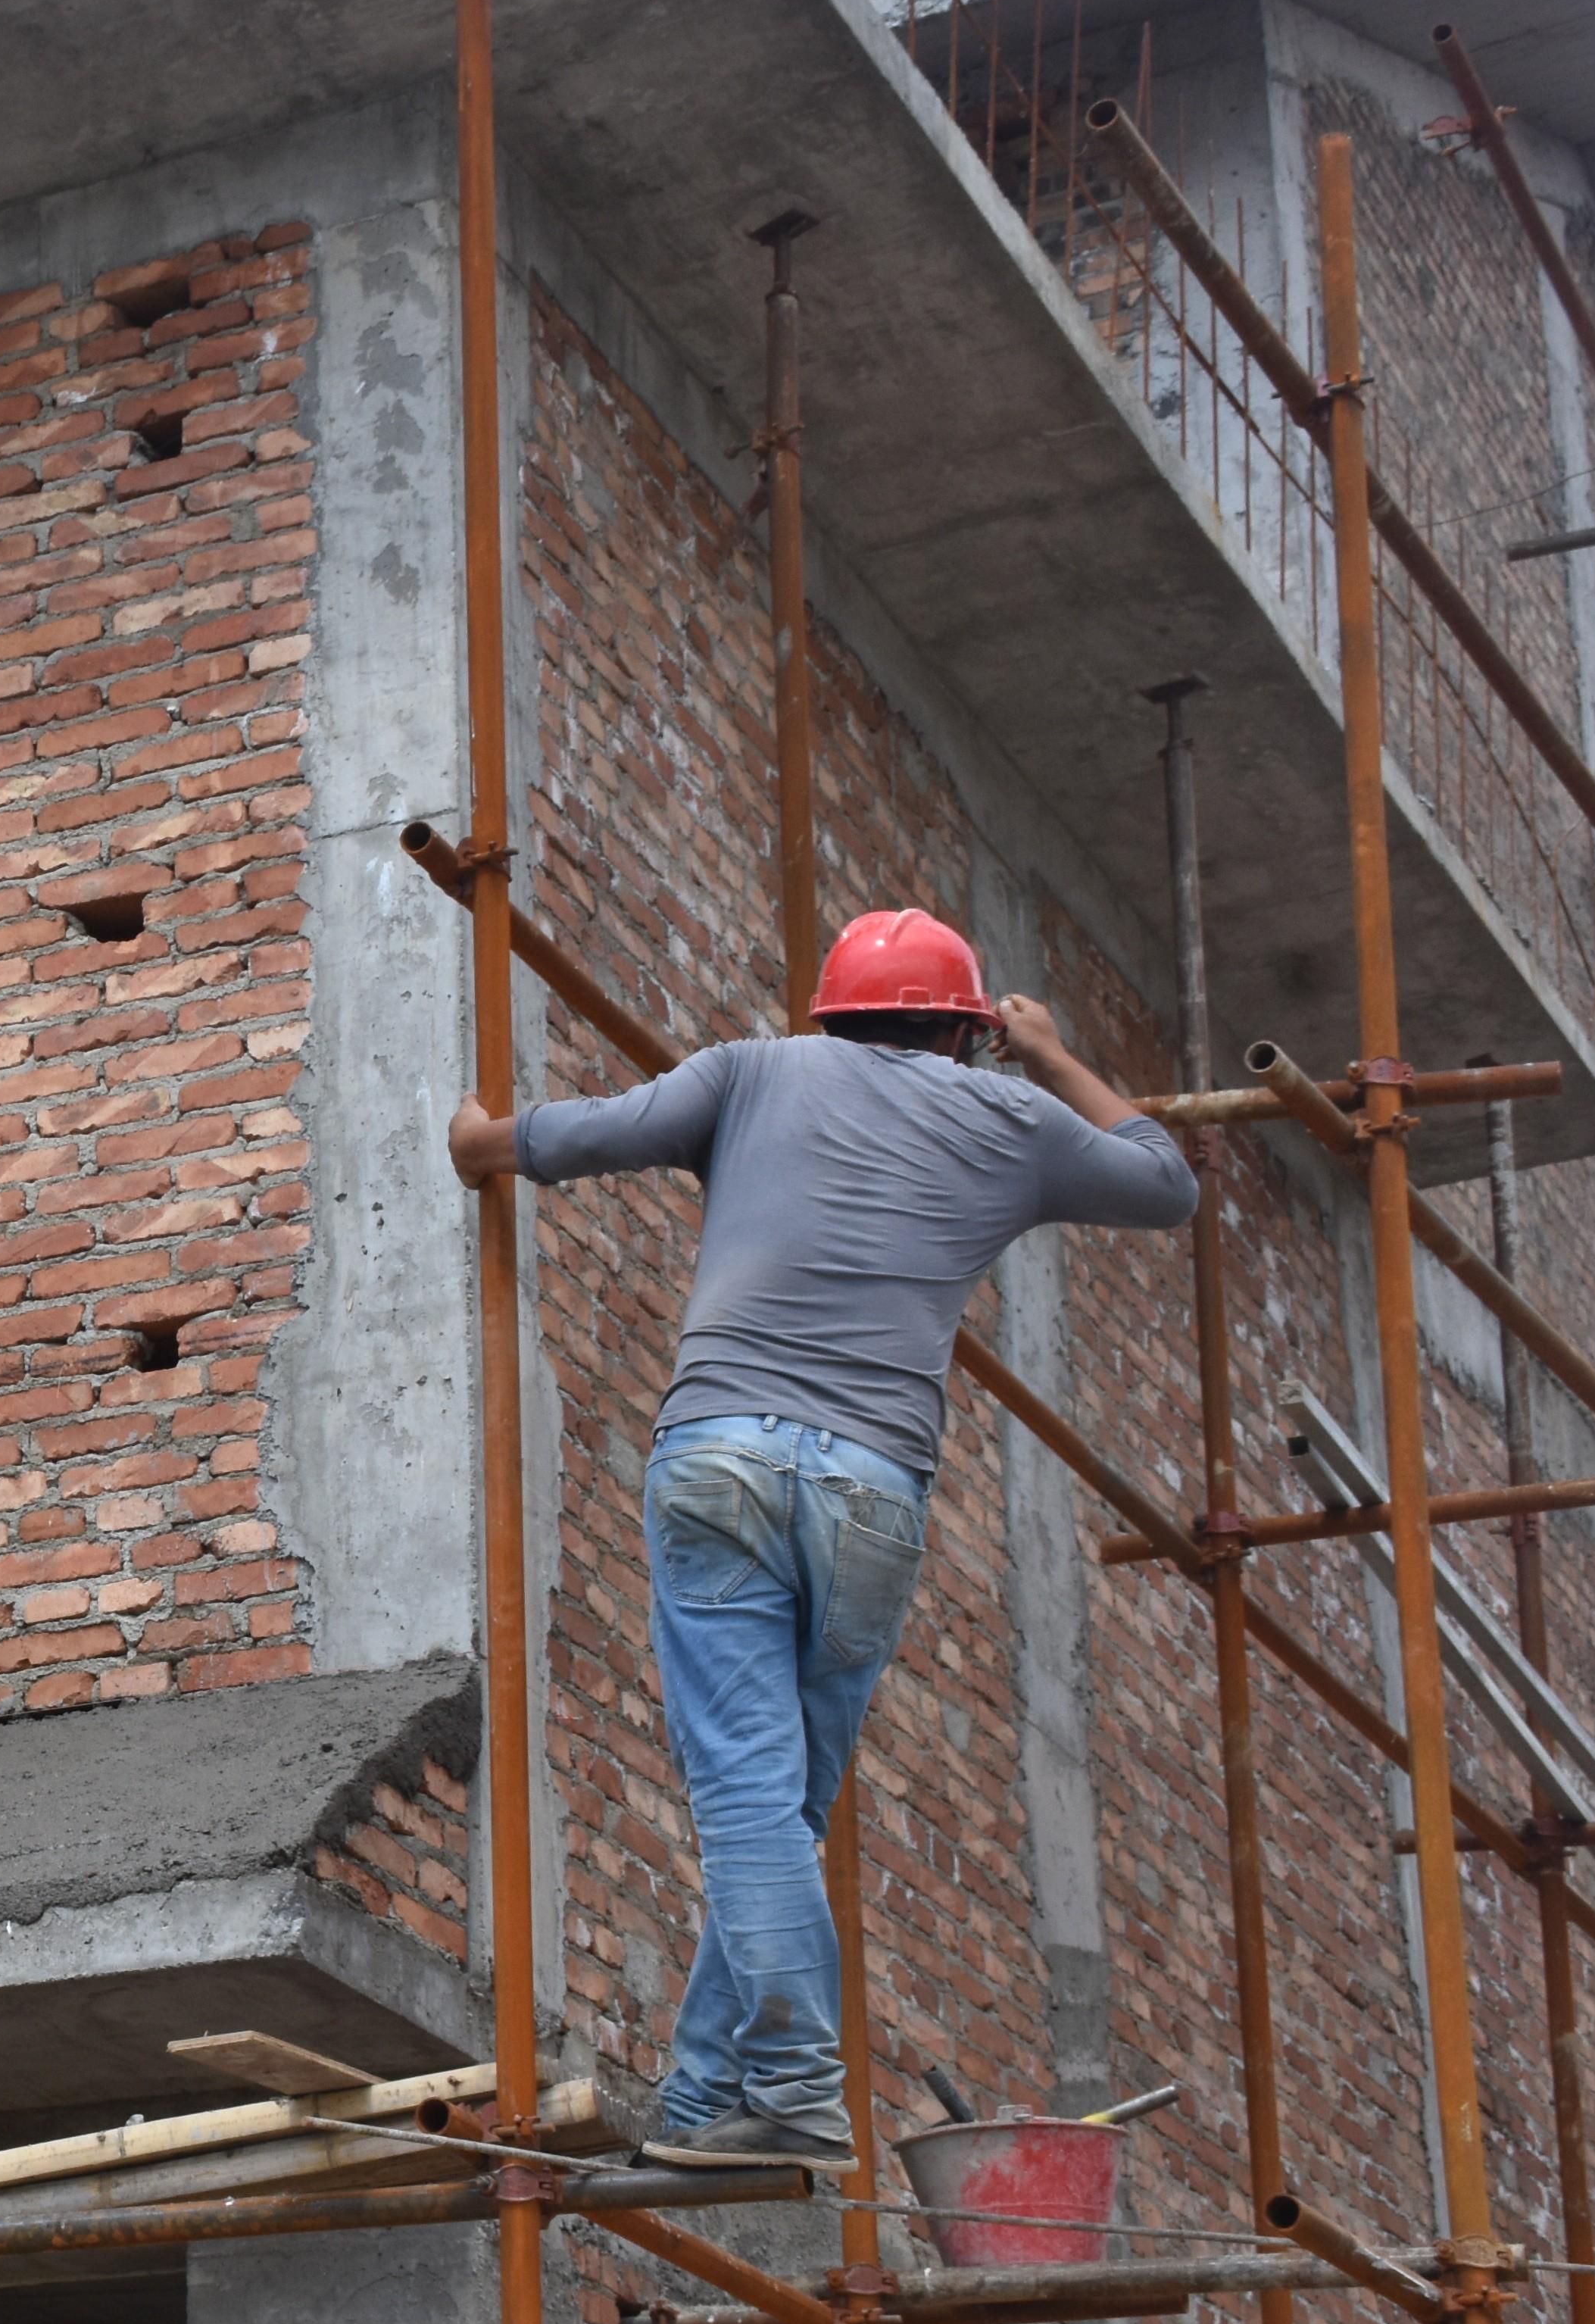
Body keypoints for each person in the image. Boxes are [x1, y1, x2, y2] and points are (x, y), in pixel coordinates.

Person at [446, 910, 1194, 2172]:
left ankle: (789, 2088)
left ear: (830, 1011)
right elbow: (1167, 1182)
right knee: (777, 1808)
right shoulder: (1009, 1121)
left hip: (723, 1460)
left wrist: (484, 1144)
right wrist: (1051, 1054)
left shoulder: (754, 1069)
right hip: (870, 1491)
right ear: (964, 1031)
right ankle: (705, 2107)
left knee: (747, 1801)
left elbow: (591, 1134)